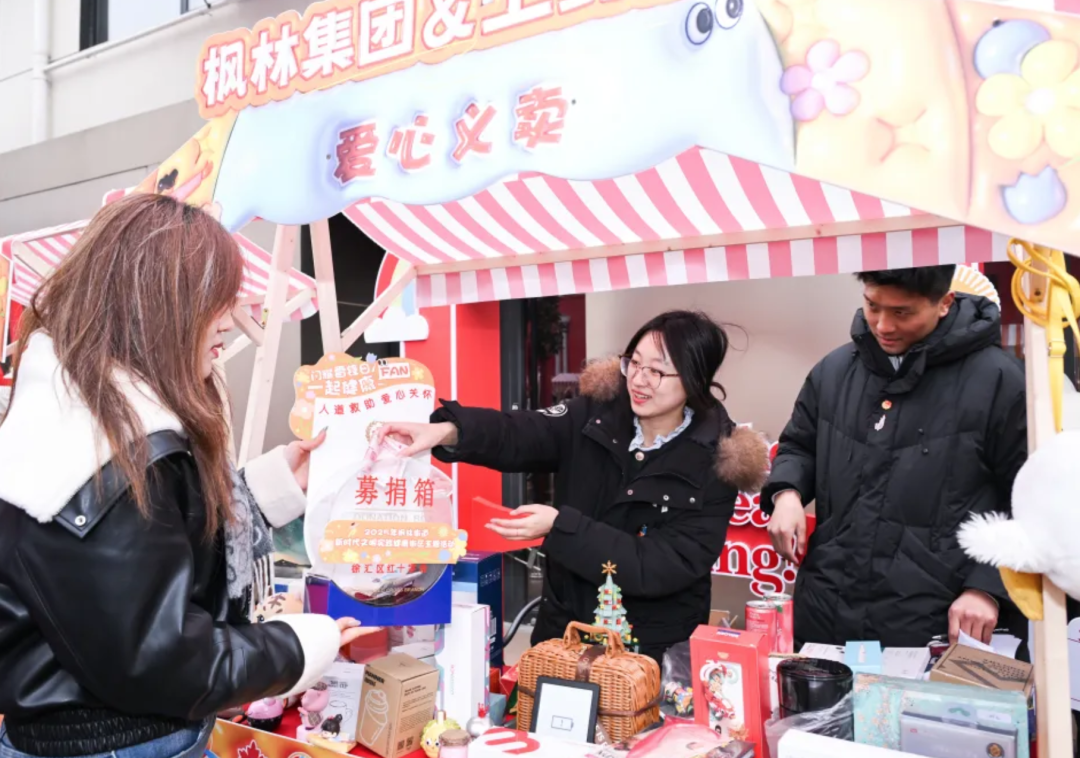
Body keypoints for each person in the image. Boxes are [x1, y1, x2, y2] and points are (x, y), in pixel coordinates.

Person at [0, 194, 362, 758]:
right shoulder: (101, 456)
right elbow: (158, 658)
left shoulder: (93, 421)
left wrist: (270, 486)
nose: (229, 319)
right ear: (154, 306)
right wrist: (299, 645)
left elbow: (154, 553)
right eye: (214, 299)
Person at [378, 310, 769, 663]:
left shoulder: (718, 462)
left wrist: (559, 526)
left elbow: (660, 565)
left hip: (649, 654)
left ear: (695, 380)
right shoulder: (596, 414)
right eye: (634, 362)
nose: (638, 379)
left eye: (658, 371)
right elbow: (522, 431)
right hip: (563, 631)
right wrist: (449, 430)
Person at [763, 265, 1027, 649]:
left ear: (944, 303)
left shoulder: (1000, 381)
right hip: (826, 609)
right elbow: (799, 445)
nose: (883, 325)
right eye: (872, 306)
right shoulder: (834, 370)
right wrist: (786, 493)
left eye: (902, 312)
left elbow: (1032, 503)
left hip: (937, 621)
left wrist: (987, 586)